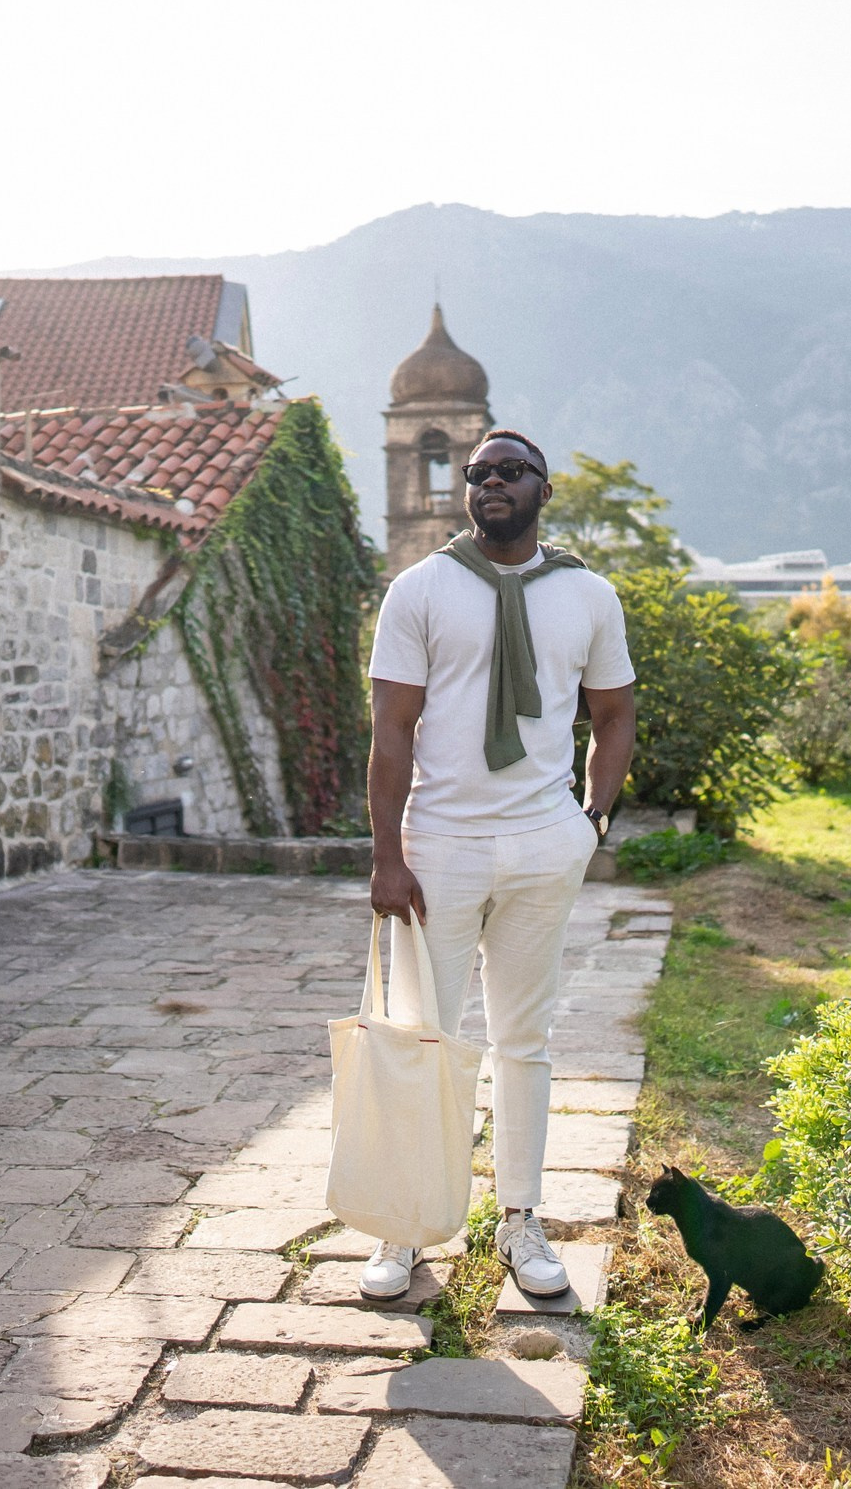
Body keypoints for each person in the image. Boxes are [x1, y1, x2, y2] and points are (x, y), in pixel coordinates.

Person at [359, 428, 637, 1300]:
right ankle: (406, 1224)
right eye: (477, 473)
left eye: (511, 471)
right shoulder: (420, 589)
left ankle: (521, 1218)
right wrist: (387, 854)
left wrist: (592, 819)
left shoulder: (588, 594)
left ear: (545, 490)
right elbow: (390, 730)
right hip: (439, 847)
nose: (491, 483)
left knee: (525, 1040)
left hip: (543, 845)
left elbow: (615, 714)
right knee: (423, 1037)